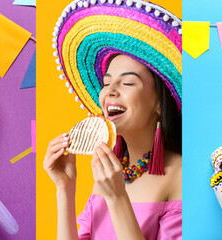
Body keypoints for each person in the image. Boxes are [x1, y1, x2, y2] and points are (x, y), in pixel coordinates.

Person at [45, 0, 183, 239]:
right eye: (107, 83)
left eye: (128, 82)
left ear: (159, 104)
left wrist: (118, 197)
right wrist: (65, 188)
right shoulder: (110, 174)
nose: (109, 91)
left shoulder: (180, 175)